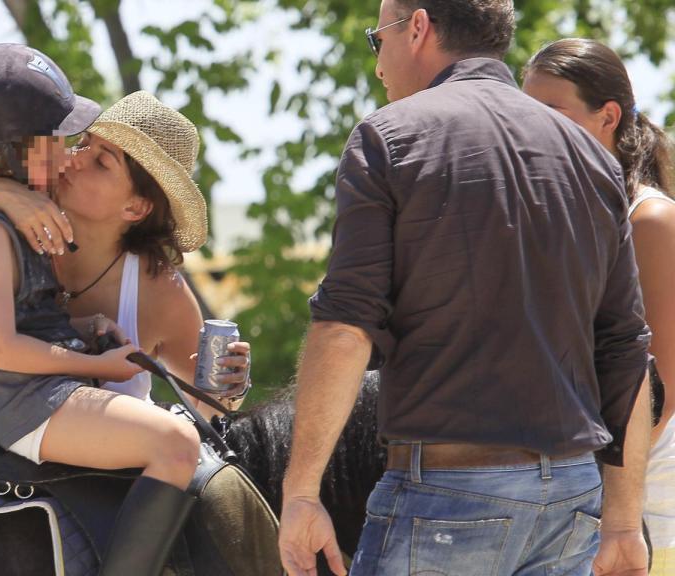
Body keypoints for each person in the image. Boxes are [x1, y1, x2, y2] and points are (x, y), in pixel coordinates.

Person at [277, 2, 653, 575]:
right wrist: (624, 522)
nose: (379, 66)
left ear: (419, 27)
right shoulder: (590, 156)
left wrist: (302, 492)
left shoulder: (387, 136)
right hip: (573, 501)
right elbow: (625, 347)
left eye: (380, 39)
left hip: (448, 497)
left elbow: (346, 324)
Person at [0, 44, 207, 576]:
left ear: (135, 207)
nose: (71, 156)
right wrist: (99, 365)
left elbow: (211, 393)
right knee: (177, 441)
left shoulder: (146, 281)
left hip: (44, 397)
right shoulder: (4, 226)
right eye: (67, 144)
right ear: (4, 159)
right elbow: (0, 344)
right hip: (28, 399)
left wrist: (84, 330)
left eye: (96, 158)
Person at [0, 106, 252, 418]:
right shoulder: (8, 234)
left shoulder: (158, 289)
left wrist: (231, 386)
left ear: (136, 207)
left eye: (102, 162)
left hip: (115, 486)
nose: (75, 158)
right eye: (83, 143)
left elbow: (212, 411)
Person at [523, 38, 675, 576]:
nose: (530, 131)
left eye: (551, 113)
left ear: (608, 116)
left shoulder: (649, 220)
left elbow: (659, 394)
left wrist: (608, 510)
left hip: (647, 513)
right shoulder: (567, 218)